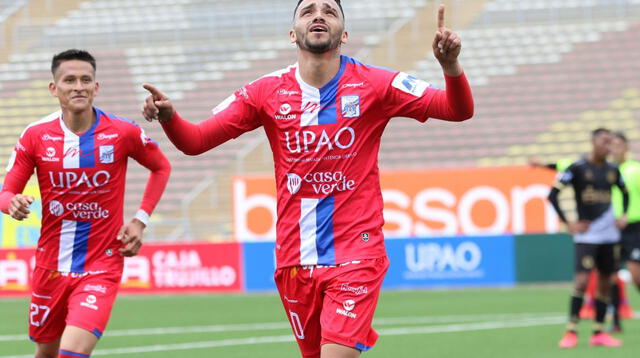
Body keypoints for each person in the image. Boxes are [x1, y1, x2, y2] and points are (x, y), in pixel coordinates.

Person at [142, 1, 473, 357]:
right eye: (308, 11)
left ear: (344, 34)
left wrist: (450, 65)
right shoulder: (264, 92)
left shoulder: (377, 84)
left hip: (357, 254)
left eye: (330, 11)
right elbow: (195, 142)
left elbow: (457, 110)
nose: (318, 15)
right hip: (294, 260)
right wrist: (170, 117)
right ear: (292, 33)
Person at [0, 49, 171, 358]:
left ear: (96, 87)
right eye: (69, 80)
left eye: (85, 80)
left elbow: (161, 167)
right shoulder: (35, 136)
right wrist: (12, 203)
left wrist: (140, 219)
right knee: (46, 354)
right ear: (54, 88)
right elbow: (6, 192)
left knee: (72, 354)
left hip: (101, 264)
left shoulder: (122, 132)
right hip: (50, 266)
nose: (78, 86)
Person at [548, 128, 628, 349]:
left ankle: (599, 332)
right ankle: (571, 331)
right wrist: (569, 222)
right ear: (593, 142)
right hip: (587, 235)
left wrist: (623, 216)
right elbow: (553, 194)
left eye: (611, 143)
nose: (608, 146)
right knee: (582, 281)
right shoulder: (577, 168)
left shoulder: (613, 169)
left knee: (605, 281)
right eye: (604, 141)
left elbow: (625, 192)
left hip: (609, 235)